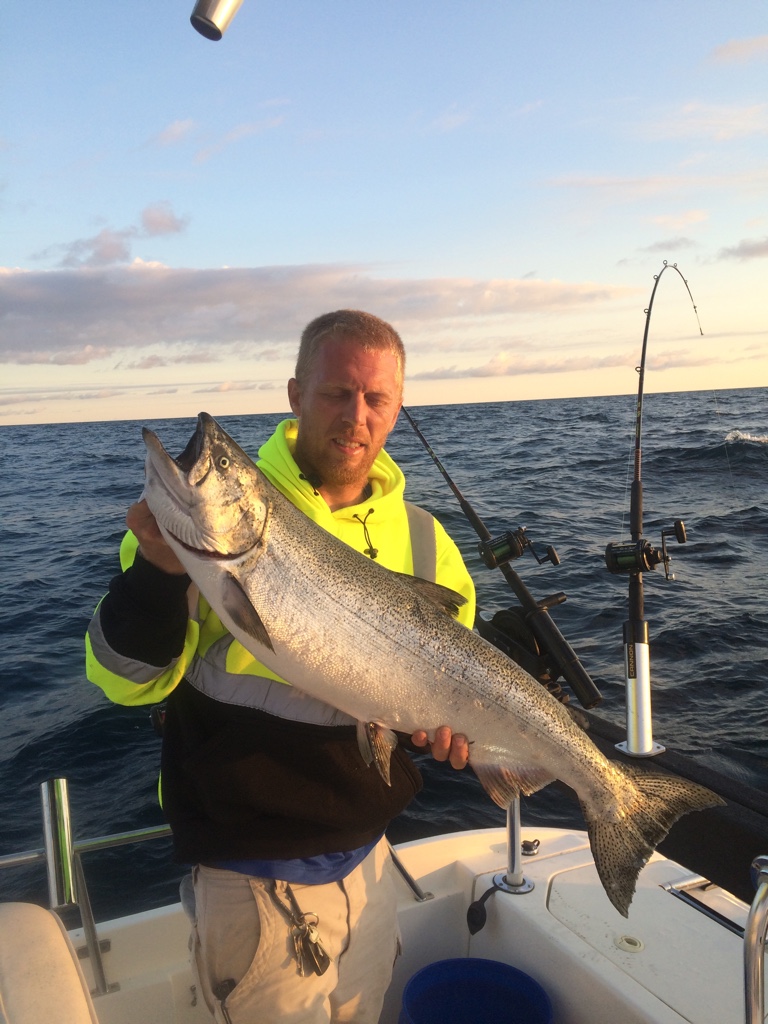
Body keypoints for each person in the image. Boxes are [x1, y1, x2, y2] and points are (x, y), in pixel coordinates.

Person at [86, 309, 476, 1024]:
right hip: (251, 877)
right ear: (296, 394)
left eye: (376, 398)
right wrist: (157, 573)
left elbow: (437, 699)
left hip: (373, 862)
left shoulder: (427, 541)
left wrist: (443, 733)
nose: (355, 416)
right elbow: (123, 680)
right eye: (336, 393)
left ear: (396, 410)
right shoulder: (181, 536)